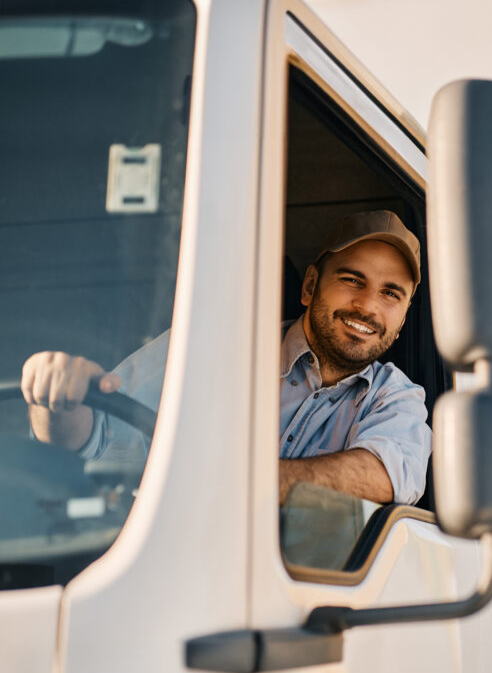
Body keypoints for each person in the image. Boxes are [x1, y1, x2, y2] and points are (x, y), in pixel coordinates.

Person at [22, 211, 432, 506]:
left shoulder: (396, 398)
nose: (367, 307)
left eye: (390, 293)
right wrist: (55, 398)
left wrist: (225, 485)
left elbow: (385, 475)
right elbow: (96, 436)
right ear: (310, 286)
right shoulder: (211, 344)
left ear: (401, 321)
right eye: (351, 280)